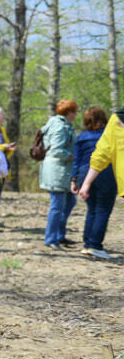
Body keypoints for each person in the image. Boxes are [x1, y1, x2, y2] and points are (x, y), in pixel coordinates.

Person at [73, 106, 118, 259]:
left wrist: (74, 179)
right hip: (105, 172)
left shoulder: (81, 137)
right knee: (103, 209)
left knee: (92, 209)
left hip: (83, 173)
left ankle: (87, 243)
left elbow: (76, 160)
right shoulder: (109, 134)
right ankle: (95, 245)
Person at [40, 100, 78, 249]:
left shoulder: (64, 125)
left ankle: (59, 235)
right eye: (75, 111)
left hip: (63, 170)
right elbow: (56, 149)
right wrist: (73, 156)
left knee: (70, 202)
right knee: (57, 205)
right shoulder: (59, 126)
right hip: (57, 170)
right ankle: (51, 239)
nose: (76, 114)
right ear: (69, 112)